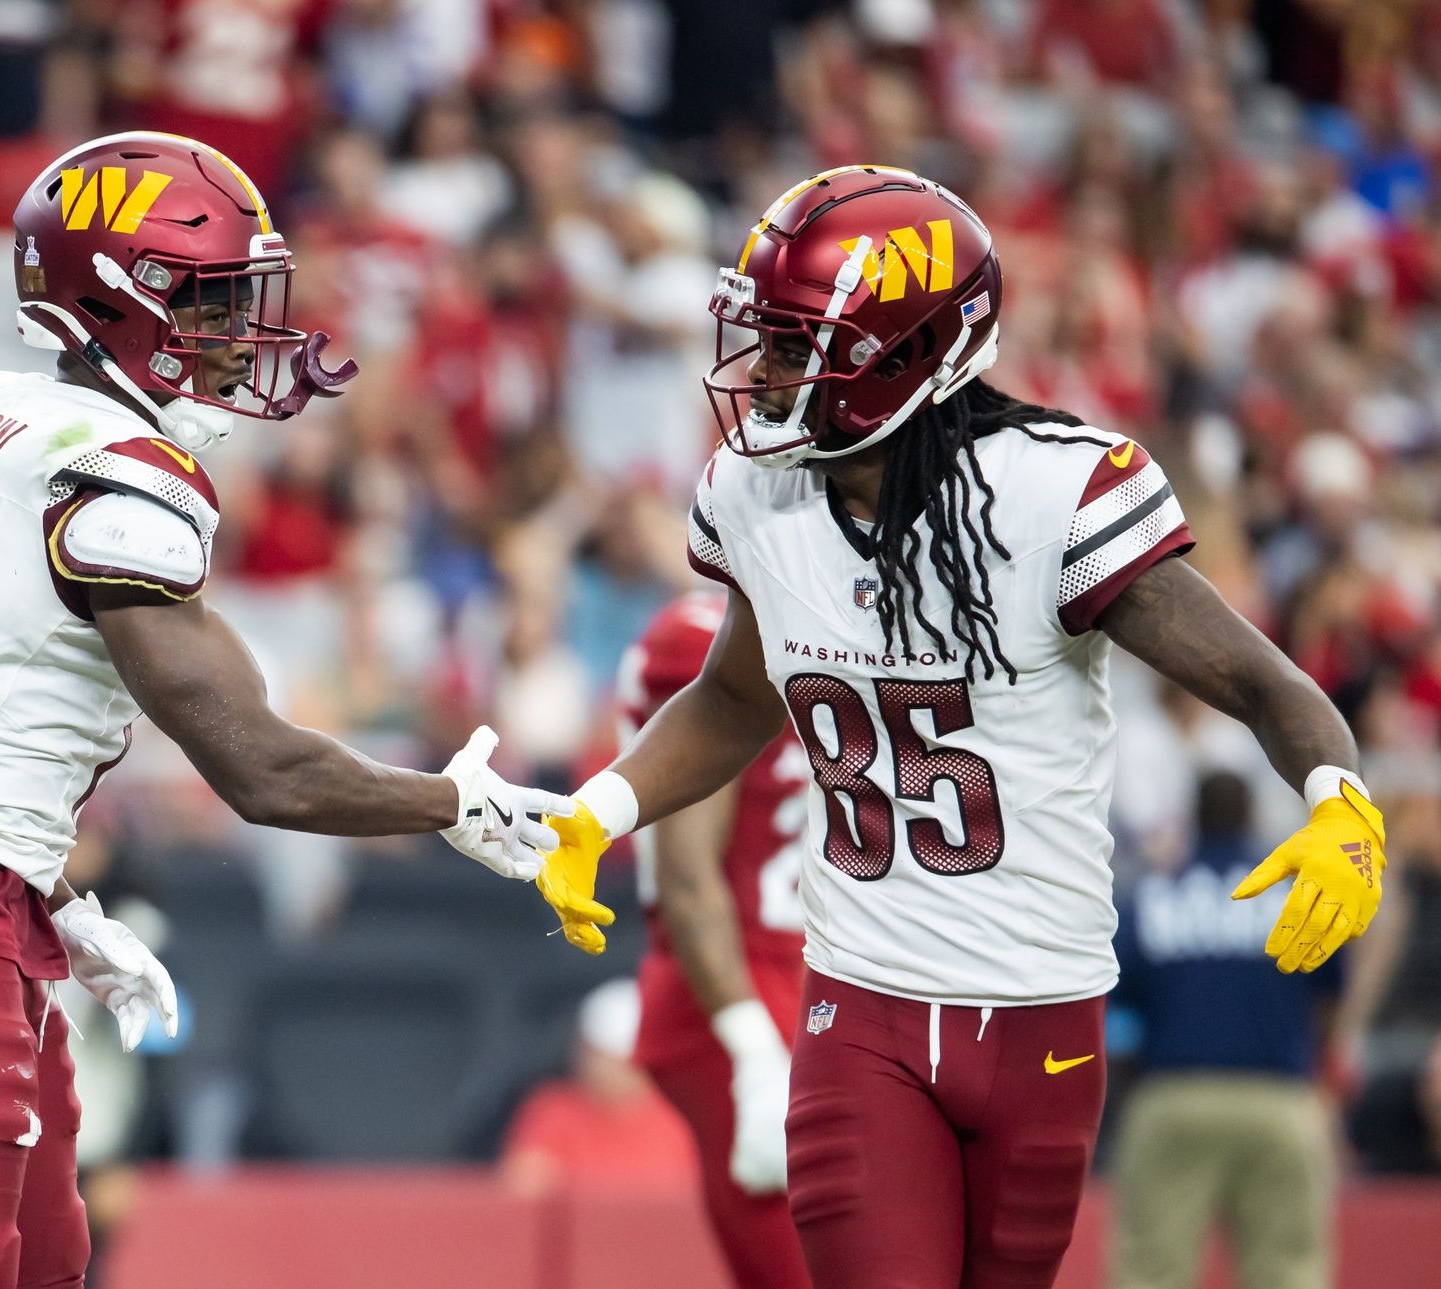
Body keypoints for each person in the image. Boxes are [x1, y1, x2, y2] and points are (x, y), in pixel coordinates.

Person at [532, 165, 1386, 1288]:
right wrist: (602, 807)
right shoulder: (756, 496)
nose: (764, 372)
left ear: (898, 354)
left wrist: (1338, 795)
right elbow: (737, 697)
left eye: (795, 343)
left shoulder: (1053, 496)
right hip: (861, 1006)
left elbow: (1268, 686)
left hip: (1047, 1012)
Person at [0, 130, 573, 1289]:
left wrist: (46, 893)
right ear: (116, 302)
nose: (233, 335)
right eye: (206, 302)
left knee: (52, 1262)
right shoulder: (116, 466)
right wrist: (450, 800)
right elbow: (261, 769)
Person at [619, 591, 812, 1289]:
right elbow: (688, 871)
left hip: (814, 975)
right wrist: (752, 1048)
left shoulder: (832, 614)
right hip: (734, 980)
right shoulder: (702, 634)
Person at [1109, 770, 1341, 1289]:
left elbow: (1113, 995)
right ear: (1252, 816)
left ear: (1193, 819)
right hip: (1280, 1099)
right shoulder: (1293, 898)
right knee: (1288, 1272)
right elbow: (1330, 995)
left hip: (1173, 1096)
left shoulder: (1154, 897)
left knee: (1150, 1271)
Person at [500, 978, 698, 1193]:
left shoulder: (682, 1118)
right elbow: (524, 1189)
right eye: (604, 1057)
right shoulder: (552, 1112)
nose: (616, 1071)